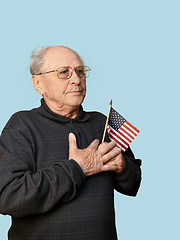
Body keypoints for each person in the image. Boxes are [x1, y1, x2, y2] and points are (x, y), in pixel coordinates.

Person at [0, 46, 142, 240]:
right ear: (38, 83)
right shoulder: (22, 126)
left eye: (80, 71)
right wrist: (76, 169)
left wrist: (123, 167)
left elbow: (133, 185)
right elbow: (9, 198)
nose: (76, 79)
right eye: (64, 72)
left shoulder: (102, 123)